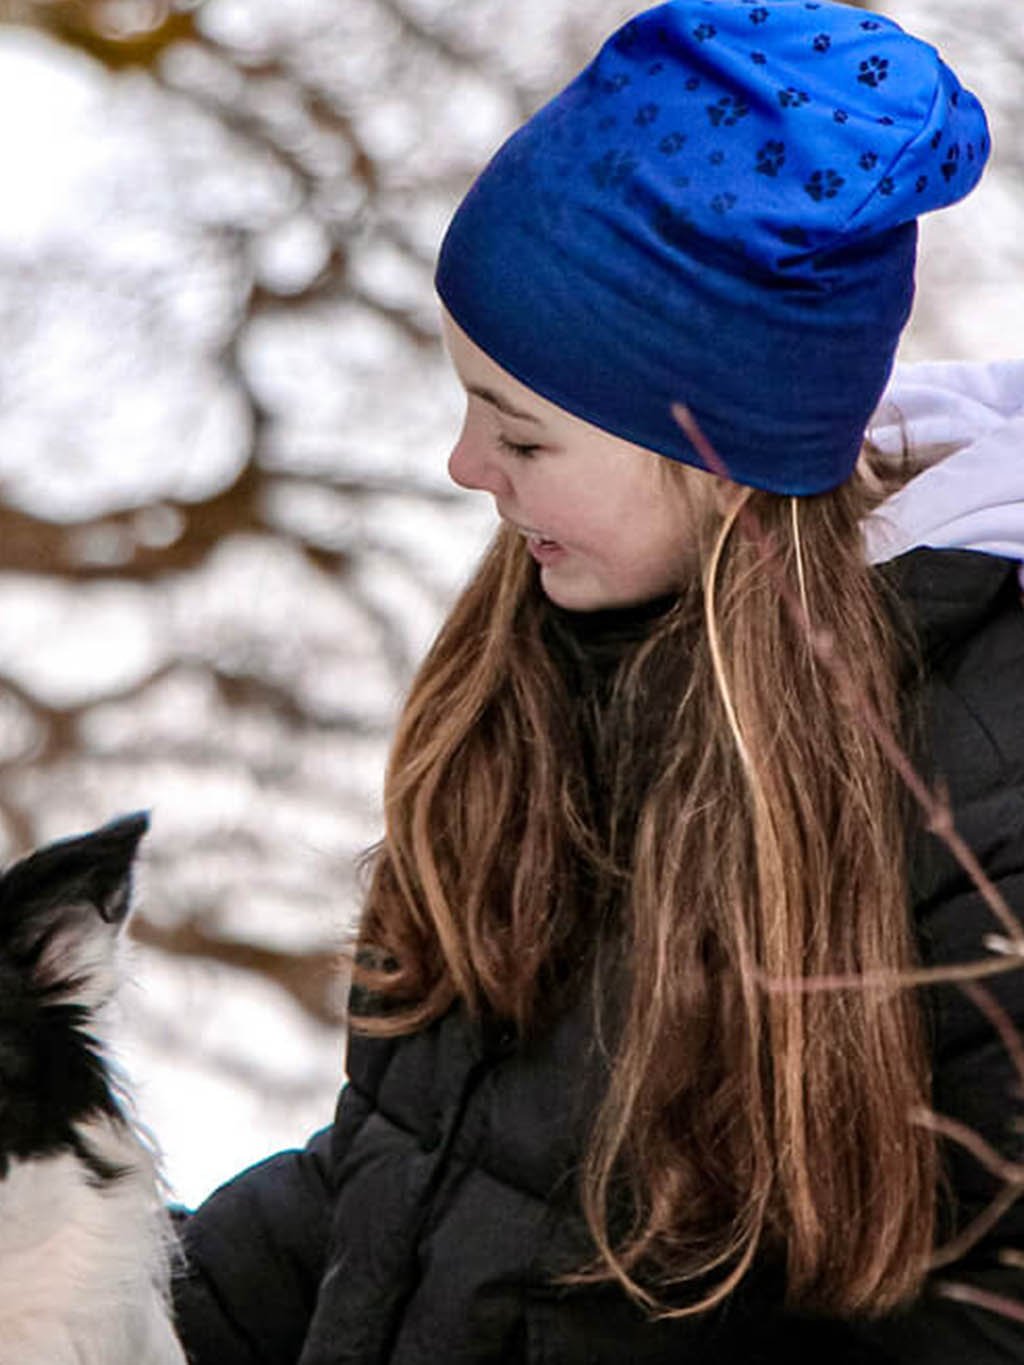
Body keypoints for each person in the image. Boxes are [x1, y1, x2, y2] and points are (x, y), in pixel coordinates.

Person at [171, 3, 1024, 1361]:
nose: (464, 465)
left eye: (520, 429)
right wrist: (111, 1304)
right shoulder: (538, 671)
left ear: (720, 448)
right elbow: (407, 1174)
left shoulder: (976, 784)